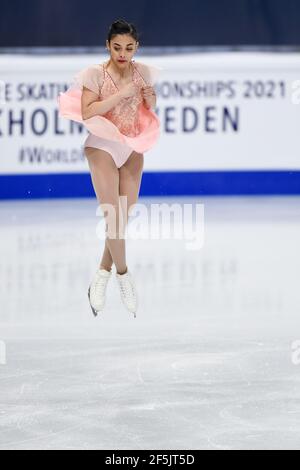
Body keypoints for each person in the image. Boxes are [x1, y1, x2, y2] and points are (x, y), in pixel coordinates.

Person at [58, 19, 162, 318]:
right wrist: (119, 94)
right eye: (117, 47)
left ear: (136, 47)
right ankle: (124, 275)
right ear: (107, 45)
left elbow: (148, 106)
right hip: (101, 145)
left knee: (120, 222)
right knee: (113, 217)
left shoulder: (142, 72)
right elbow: (87, 111)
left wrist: (149, 98)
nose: (123, 53)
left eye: (129, 48)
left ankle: (101, 274)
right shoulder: (95, 73)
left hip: (131, 148)